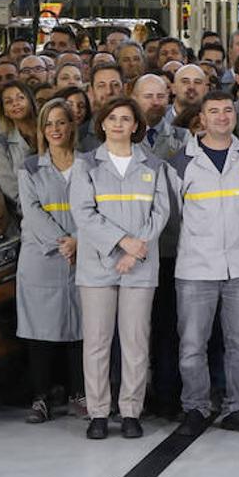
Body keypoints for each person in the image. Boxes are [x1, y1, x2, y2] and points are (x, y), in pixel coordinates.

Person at [72, 96, 175, 440]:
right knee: (97, 343)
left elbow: (160, 213)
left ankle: (131, 411)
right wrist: (122, 243)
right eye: (112, 118)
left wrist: (136, 249)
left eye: (125, 119)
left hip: (139, 266)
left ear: (136, 126)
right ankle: (98, 413)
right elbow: (83, 213)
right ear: (102, 124)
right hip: (98, 265)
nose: (118, 124)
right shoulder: (85, 164)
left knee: (135, 342)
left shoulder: (154, 165)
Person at [167, 92, 239, 437]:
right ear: (202, 119)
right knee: (193, 344)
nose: (223, 116)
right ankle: (195, 408)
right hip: (195, 267)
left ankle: (238, 409)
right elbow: (175, 215)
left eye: (228, 110)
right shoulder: (181, 162)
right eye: (214, 111)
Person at [15, 99, 85, 424]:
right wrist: (65, 243)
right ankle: (40, 397)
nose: (55, 129)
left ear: (72, 126)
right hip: (43, 259)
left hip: (84, 256)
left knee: (81, 329)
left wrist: (79, 242)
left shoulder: (90, 165)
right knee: (41, 331)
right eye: (49, 124)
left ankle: (79, 394)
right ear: (42, 131)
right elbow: (32, 212)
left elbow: (99, 209)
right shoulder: (30, 168)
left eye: (61, 122)